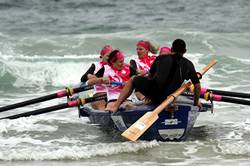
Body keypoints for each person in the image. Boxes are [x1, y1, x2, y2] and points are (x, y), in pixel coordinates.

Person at [107, 39, 201, 112]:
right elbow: (197, 87)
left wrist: (149, 95)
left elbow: (151, 77)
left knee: (133, 79)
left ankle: (115, 106)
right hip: (170, 97)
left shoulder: (160, 58)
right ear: (185, 51)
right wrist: (196, 103)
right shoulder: (189, 64)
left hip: (155, 95)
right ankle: (167, 105)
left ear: (171, 49)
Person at [80, 45, 113, 110]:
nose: (110, 58)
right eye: (108, 56)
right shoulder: (95, 65)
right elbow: (83, 79)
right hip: (99, 93)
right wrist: (90, 76)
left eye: (112, 56)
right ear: (102, 56)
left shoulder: (116, 65)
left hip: (112, 93)